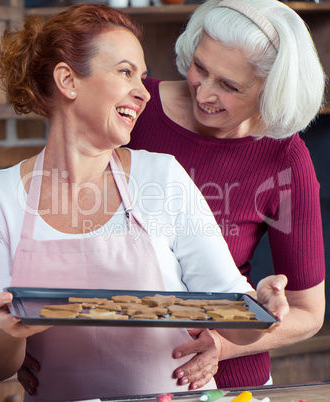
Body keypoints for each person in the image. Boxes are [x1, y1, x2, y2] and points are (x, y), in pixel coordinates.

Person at [0, 3, 289, 401]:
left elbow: (230, 313)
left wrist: (261, 309)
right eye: (125, 72)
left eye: (142, 77)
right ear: (68, 80)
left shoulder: (161, 177)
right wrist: (6, 334)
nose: (144, 92)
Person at [125, 0, 326, 390]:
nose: (204, 93)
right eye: (200, 67)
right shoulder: (135, 108)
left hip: (229, 384)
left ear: (272, 90)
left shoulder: (285, 158)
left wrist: (222, 343)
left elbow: (308, 311)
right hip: (121, 374)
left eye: (230, 86)